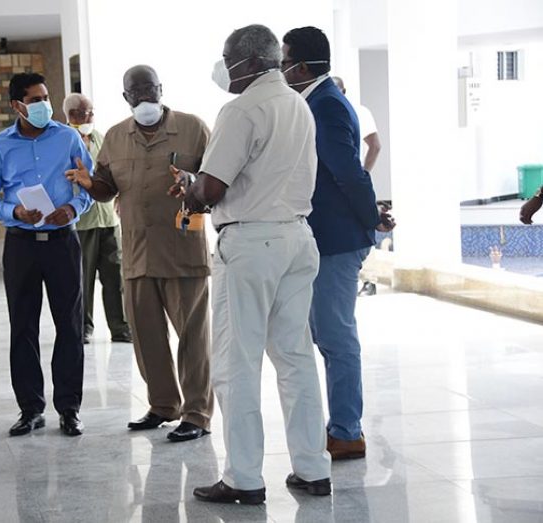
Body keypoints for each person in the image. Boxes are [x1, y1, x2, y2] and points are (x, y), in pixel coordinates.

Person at [176, 25, 331, 504]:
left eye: (227, 59)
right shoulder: (296, 104)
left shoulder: (241, 109)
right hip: (297, 239)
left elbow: (211, 189)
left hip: (249, 245)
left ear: (246, 62)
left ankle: (244, 478)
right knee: (296, 359)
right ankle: (312, 469)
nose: (223, 69)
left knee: (235, 363)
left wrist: (188, 186)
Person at [65, 65, 214, 443]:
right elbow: (106, 189)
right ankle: (163, 405)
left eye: (150, 89)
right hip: (137, 253)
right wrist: (88, 184)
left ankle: (197, 413)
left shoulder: (193, 128)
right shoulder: (115, 137)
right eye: (136, 92)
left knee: (193, 338)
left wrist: (193, 183)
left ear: (161, 89)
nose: (144, 97)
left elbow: (217, 182)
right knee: (146, 337)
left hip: (182, 251)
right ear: (126, 97)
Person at [282, 26, 394, 461]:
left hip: (336, 239)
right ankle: (338, 425)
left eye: (285, 60)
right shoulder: (314, 100)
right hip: (324, 236)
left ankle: (347, 431)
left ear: (302, 66)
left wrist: (372, 219)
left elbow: (347, 171)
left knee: (335, 335)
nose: (280, 68)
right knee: (325, 333)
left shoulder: (325, 104)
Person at [0, 73, 93, 437]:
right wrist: (14, 212)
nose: (44, 104)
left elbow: (89, 183)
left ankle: (69, 409)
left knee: (70, 326)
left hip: (62, 241)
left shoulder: (68, 136)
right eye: (35, 99)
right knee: (23, 327)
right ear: (17, 105)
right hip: (21, 245)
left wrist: (73, 208)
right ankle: (30, 409)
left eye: (46, 97)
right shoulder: (0, 146)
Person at [63, 93, 132, 345]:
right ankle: (82, 327)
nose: (90, 117)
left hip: (108, 221)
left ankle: (121, 328)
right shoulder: (65, 140)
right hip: (83, 222)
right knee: (83, 278)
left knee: (115, 276)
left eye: (91, 112)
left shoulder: (101, 137)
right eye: (84, 113)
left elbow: (115, 170)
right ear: (71, 115)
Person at [332, 76, 384, 296]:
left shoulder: (357, 111)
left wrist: (363, 172)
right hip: (349, 183)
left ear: (345, 91)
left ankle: (369, 279)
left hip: (353, 182)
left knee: (362, 227)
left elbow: (375, 145)